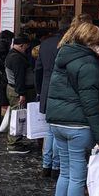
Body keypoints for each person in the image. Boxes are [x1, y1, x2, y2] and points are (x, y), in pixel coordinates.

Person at [46, 22, 99, 196]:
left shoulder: (63, 56)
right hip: (77, 126)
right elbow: (91, 104)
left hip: (57, 123)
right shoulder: (89, 64)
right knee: (77, 178)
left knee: (65, 174)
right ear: (92, 43)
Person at [35, 17, 71, 178]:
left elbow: (38, 69)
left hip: (45, 88)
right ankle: (56, 166)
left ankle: (46, 165)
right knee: (56, 130)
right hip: (60, 90)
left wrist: (39, 90)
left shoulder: (45, 44)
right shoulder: (66, 46)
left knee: (49, 130)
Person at [4, 35, 35, 154]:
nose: (27, 50)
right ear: (22, 46)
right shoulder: (17, 58)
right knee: (17, 116)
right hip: (17, 91)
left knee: (16, 115)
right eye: (26, 47)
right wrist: (22, 94)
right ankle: (13, 144)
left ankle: (15, 141)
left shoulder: (12, 54)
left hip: (13, 89)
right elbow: (19, 77)